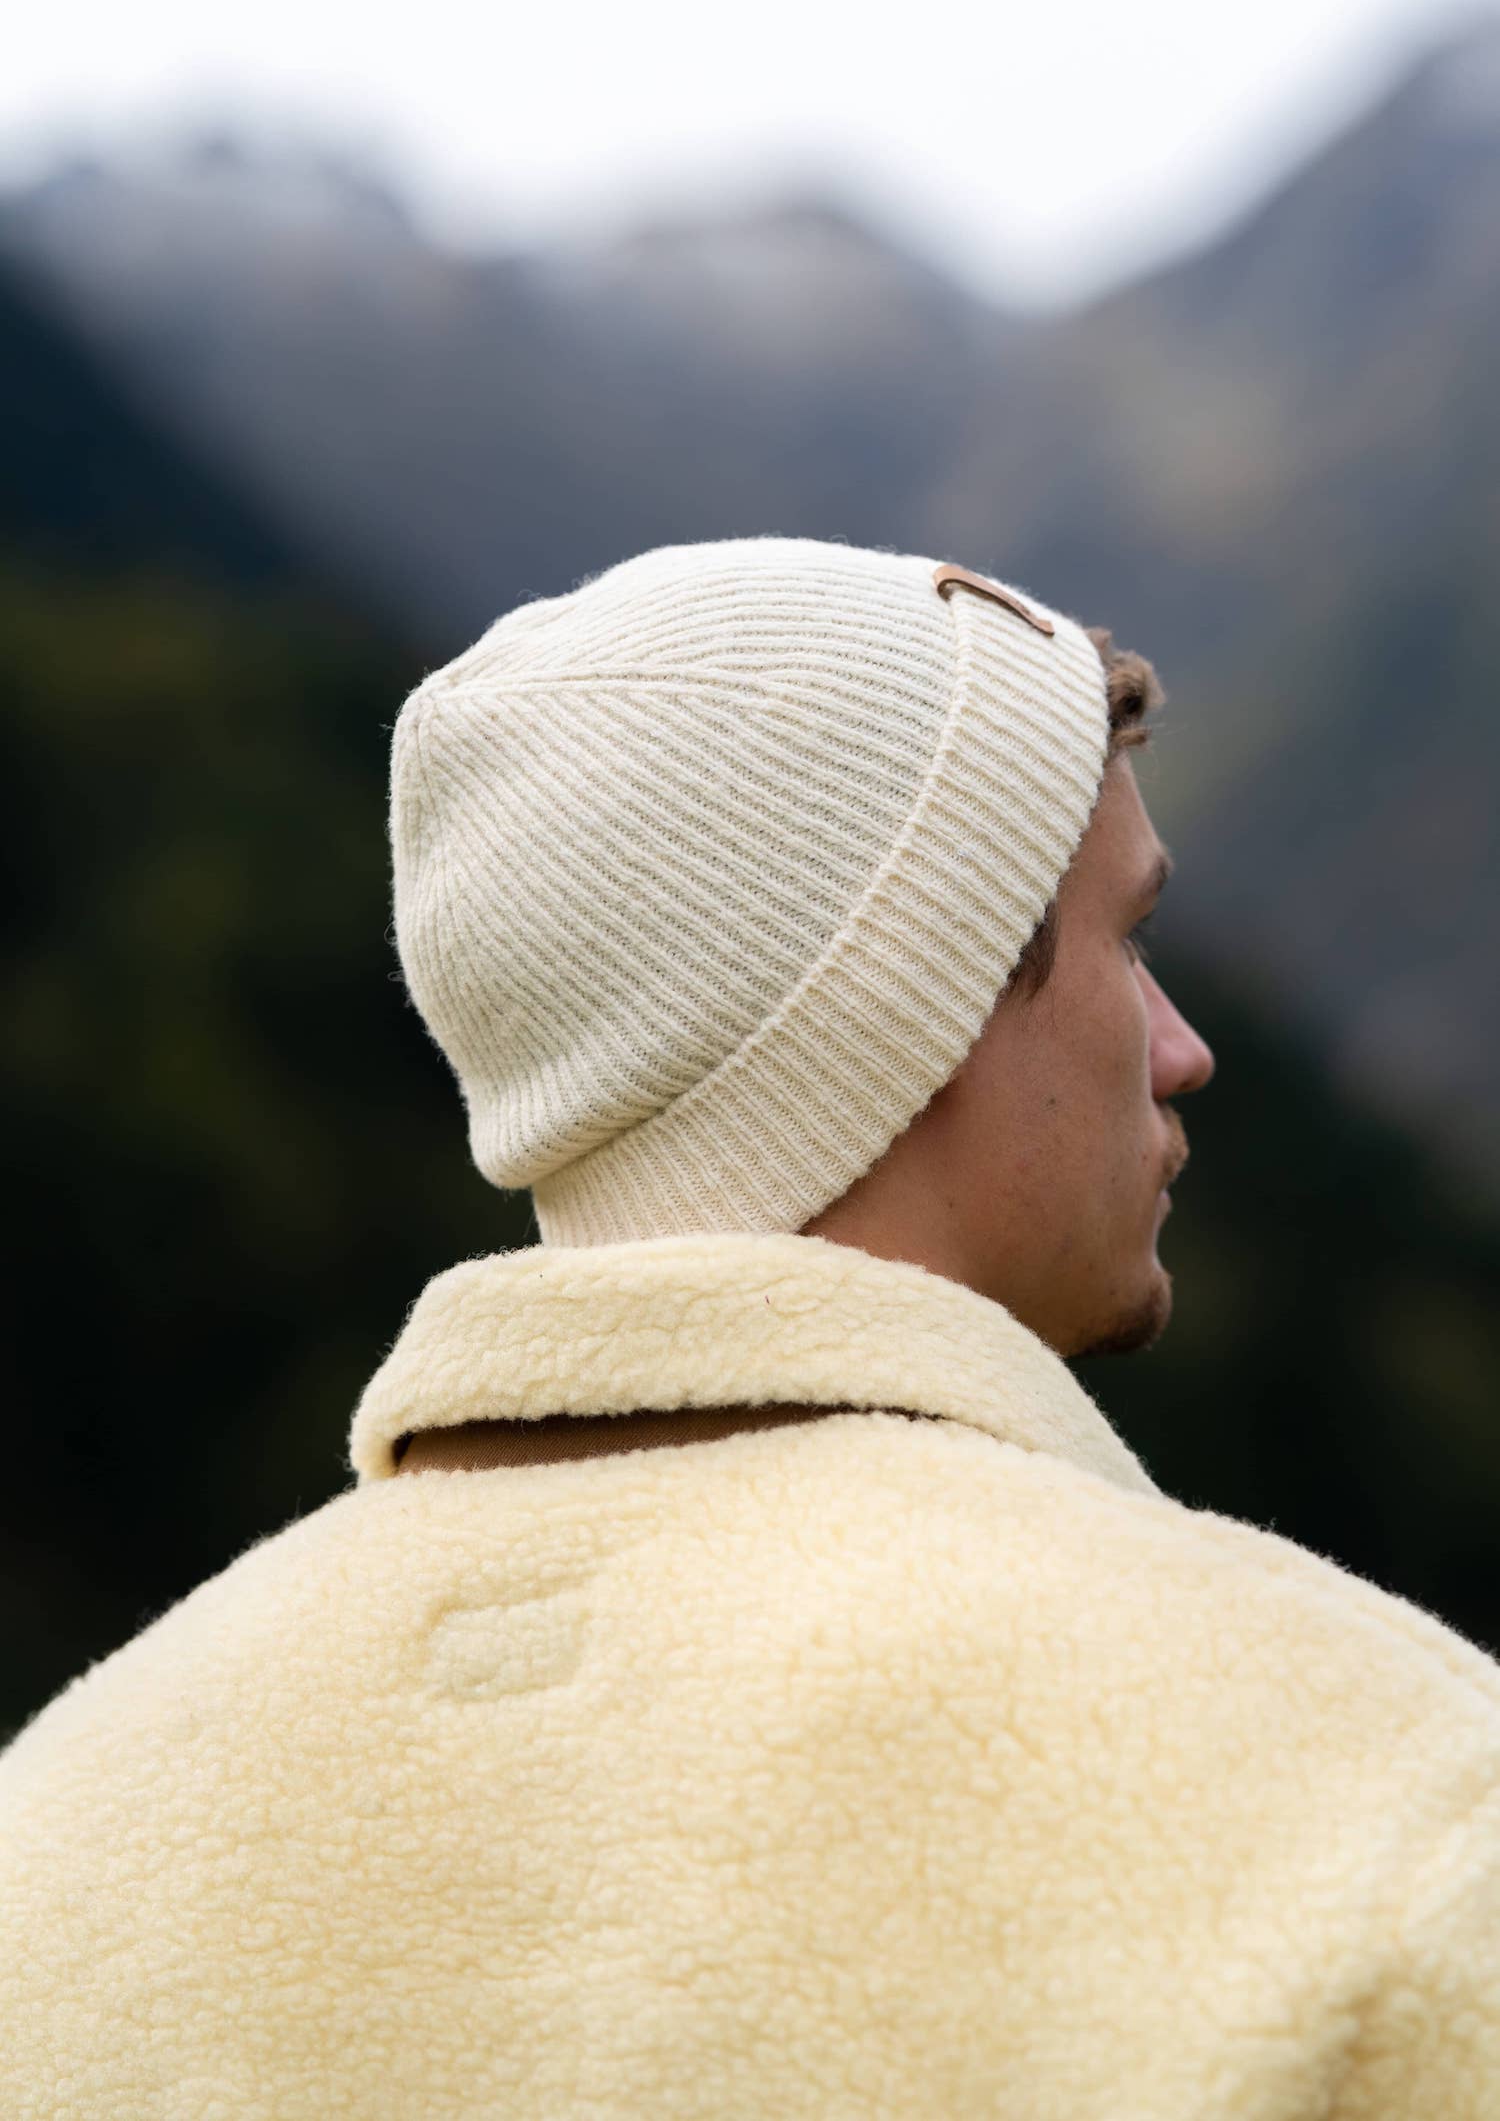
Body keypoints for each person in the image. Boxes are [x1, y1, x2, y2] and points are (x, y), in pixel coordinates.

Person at [1, 536, 1496, 2117]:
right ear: (911, 999)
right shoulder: (1376, 1800)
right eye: (1129, 940)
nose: (1184, 1049)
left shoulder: (55, 1833)